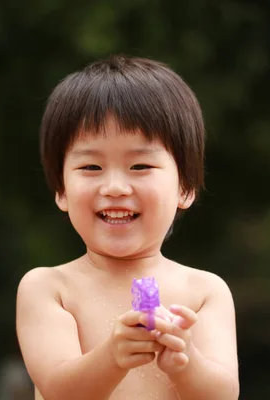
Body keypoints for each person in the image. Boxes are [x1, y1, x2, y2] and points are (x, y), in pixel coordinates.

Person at [16, 55, 239, 400]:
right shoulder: (49, 289)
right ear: (61, 190)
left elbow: (223, 395)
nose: (115, 187)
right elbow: (59, 390)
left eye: (140, 165)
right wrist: (112, 357)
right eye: (91, 167)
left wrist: (186, 361)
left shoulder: (204, 293)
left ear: (185, 187)